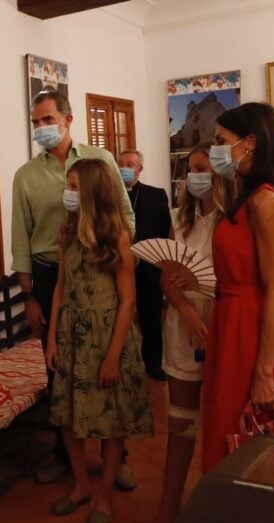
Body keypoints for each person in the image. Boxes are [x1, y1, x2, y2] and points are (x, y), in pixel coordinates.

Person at [11, 89, 136, 487]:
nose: (41, 128)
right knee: (60, 369)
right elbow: (21, 239)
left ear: (68, 120)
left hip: (101, 267)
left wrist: (110, 253)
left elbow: (126, 217)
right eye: (35, 122)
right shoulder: (26, 176)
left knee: (107, 363)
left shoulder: (101, 161)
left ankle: (119, 456)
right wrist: (29, 296)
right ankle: (69, 459)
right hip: (53, 274)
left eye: (48, 120)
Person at [46, 158, 153, 523]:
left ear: (92, 192)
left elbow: (128, 300)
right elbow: (60, 285)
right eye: (68, 185)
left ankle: (104, 494)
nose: (68, 193)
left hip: (107, 337)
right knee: (67, 415)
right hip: (71, 336)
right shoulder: (67, 232)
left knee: (109, 419)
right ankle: (80, 486)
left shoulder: (117, 235)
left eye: (74, 187)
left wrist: (112, 356)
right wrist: (51, 338)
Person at [201, 102, 274, 472]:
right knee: (227, 429)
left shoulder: (267, 200)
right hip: (232, 322)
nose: (215, 149)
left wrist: (264, 372)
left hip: (252, 331)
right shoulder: (247, 196)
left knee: (249, 441)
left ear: (250, 142)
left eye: (222, 141)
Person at [150, 142, 234, 523]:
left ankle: (218, 505)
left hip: (220, 323)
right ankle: (169, 506)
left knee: (221, 422)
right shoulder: (178, 219)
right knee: (180, 422)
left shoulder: (232, 220)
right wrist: (184, 310)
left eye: (203, 168)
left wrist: (206, 296)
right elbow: (166, 277)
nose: (195, 176)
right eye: (191, 170)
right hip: (183, 326)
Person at [118, 149, 172, 381]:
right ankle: (121, 363)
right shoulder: (110, 195)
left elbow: (165, 232)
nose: (124, 168)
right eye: (120, 163)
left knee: (151, 318)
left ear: (140, 169)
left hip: (149, 267)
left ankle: (153, 363)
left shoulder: (156, 195)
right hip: (118, 267)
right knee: (120, 317)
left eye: (130, 164)